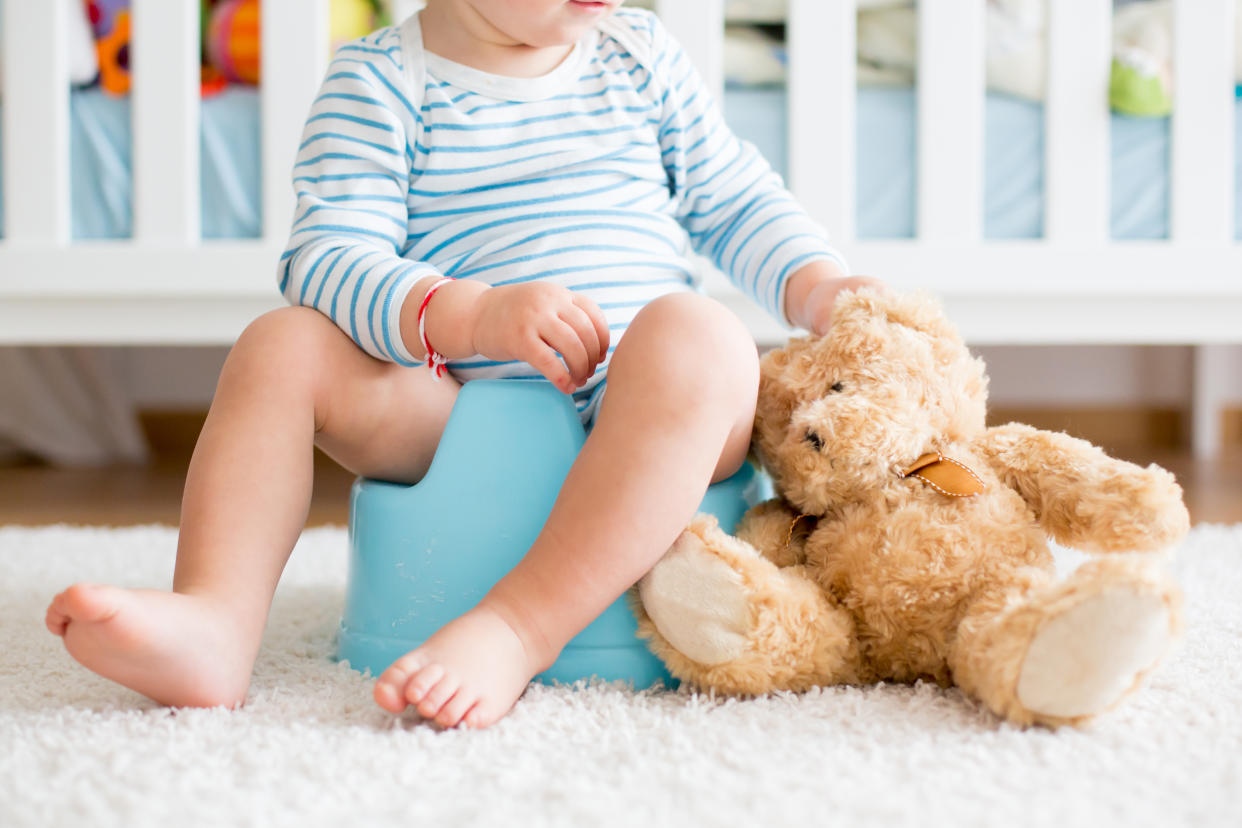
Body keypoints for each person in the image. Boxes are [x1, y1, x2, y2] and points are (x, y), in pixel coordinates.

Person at [45, 0, 876, 730]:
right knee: (281, 341)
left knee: (704, 333)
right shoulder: (379, 84)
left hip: (656, 407)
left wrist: (819, 288)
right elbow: (327, 258)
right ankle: (215, 621)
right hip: (461, 410)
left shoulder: (641, 57)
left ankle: (518, 626)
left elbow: (735, 201)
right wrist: (469, 314)